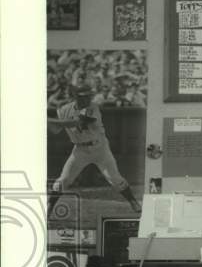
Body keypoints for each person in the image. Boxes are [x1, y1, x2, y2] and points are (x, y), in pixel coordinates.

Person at [47, 83, 142, 217]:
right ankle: (50, 207)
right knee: (64, 180)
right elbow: (56, 130)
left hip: (100, 149)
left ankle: (133, 201)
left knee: (114, 179)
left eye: (89, 96)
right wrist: (46, 122)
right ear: (75, 96)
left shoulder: (93, 108)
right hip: (79, 150)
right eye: (83, 97)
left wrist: (47, 119)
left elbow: (76, 122)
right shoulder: (64, 109)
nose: (87, 99)